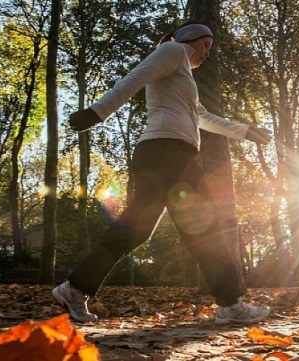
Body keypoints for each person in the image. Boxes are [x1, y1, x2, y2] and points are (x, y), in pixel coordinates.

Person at [52, 22, 271, 324]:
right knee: (205, 228)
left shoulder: (183, 75)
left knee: (137, 229)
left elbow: (203, 117)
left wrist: (245, 131)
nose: (208, 51)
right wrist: (99, 112)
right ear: (188, 39)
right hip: (168, 152)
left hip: (161, 154)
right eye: (205, 44)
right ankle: (230, 304)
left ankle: (74, 289)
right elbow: (136, 77)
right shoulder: (172, 51)